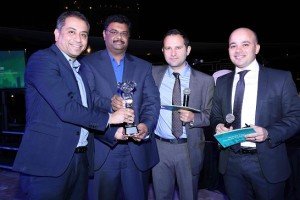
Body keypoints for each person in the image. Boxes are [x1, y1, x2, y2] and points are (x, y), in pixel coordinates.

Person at [12, 11, 133, 200]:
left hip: (79, 162)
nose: (79, 39)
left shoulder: (79, 70)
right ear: (57, 34)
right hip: (48, 164)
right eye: (71, 32)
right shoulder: (43, 60)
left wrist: (114, 133)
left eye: (84, 34)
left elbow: (86, 112)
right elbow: (66, 108)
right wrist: (110, 118)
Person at [210, 27, 300, 200]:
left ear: (257, 48)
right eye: (233, 45)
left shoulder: (280, 79)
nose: (238, 50)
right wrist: (218, 125)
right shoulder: (221, 82)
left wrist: (268, 132)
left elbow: (295, 118)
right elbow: (215, 115)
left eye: (245, 44)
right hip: (231, 163)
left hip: (267, 162)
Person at [80, 14, 160, 200]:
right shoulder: (88, 64)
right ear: (104, 34)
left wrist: (146, 126)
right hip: (104, 149)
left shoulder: (143, 66)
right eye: (114, 32)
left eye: (124, 33)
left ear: (129, 37)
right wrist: (109, 102)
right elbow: (87, 99)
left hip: (136, 151)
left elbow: (151, 102)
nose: (119, 37)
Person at [151, 29, 215, 200]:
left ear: (188, 50)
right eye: (168, 48)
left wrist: (194, 118)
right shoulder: (152, 74)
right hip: (159, 147)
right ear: (163, 51)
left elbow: (210, 115)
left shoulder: (205, 81)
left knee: (189, 196)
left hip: (189, 148)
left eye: (178, 48)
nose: (173, 53)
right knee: (160, 195)